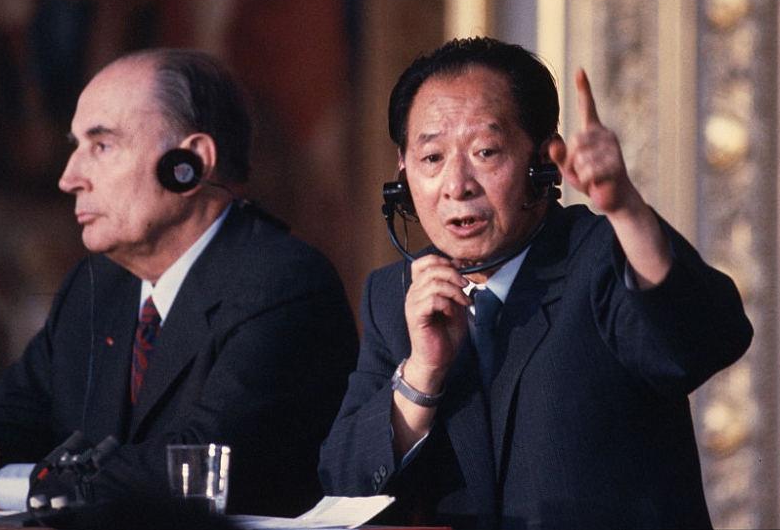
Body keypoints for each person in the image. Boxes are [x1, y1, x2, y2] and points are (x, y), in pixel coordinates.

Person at [0, 48, 359, 521]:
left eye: (101, 146)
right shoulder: (95, 285)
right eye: (74, 146)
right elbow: (17, 414)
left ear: (189, 162)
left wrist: (13, 484)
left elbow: (197, 469)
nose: (68, 178)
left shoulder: (282, 282)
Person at [318, 37, 753, 529]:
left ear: (543, 160)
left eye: (485, 151)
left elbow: (705, 343)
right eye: (432, 158)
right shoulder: (395, 293)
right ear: (401, 171)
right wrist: (421, 375)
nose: (457, 185)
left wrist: (628, 209)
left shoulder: (603, 255)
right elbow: (345, 485)